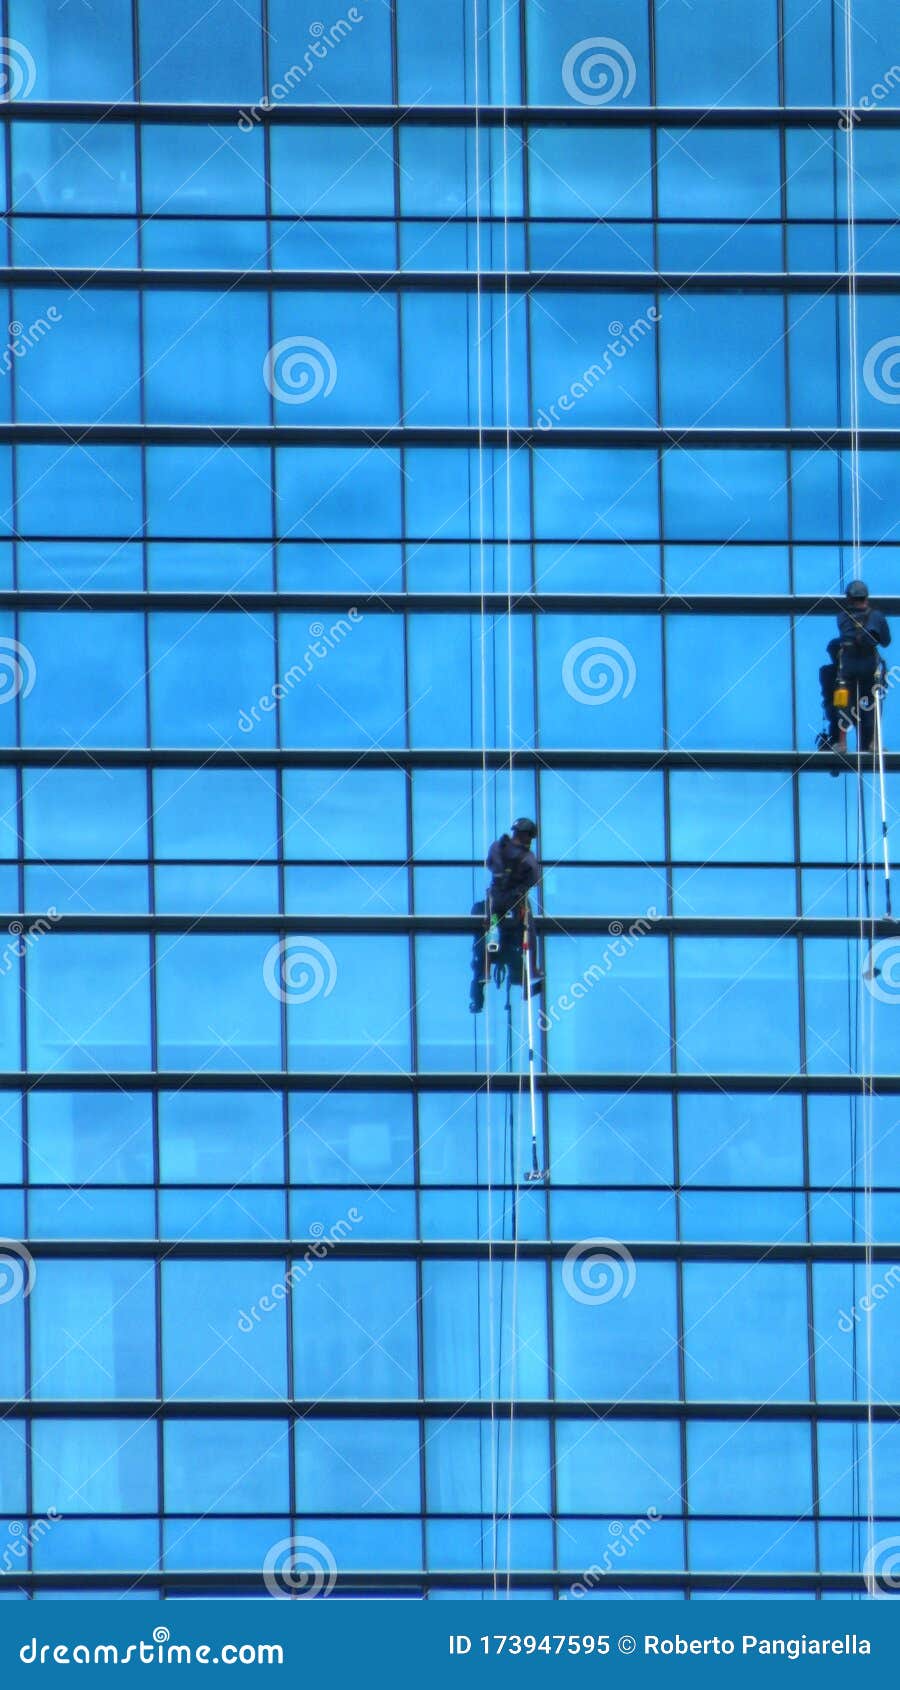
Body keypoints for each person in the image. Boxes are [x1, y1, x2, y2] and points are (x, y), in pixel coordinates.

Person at [469, 818, 542, 1013]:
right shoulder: (526, 857)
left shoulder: (499, 847)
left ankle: (490, 971)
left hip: (499, 899)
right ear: (526, 836)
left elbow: (492, 865)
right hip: (511, 901)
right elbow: (535, 879)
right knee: (526, 929)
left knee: (493, 925)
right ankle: (531, 970)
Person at [818, 580, 891, 753]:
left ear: (849, 599)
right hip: (868, 664)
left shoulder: (842, 617)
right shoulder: (877, 616)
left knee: (842, 700)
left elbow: (848, 633)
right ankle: (873, 742)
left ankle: (842, 742)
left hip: (848, 666)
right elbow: (886, 641)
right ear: (866, 597)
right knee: (873, 700)